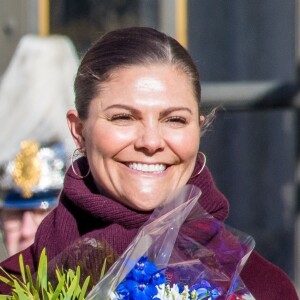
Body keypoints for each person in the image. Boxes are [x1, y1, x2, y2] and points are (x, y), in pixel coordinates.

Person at [0, 27, 298, 299]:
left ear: (198, 129)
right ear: (79, 131)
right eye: (124, 117)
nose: (151, 141)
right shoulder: (11, 287)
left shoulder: (263, 287)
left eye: (175, 120)